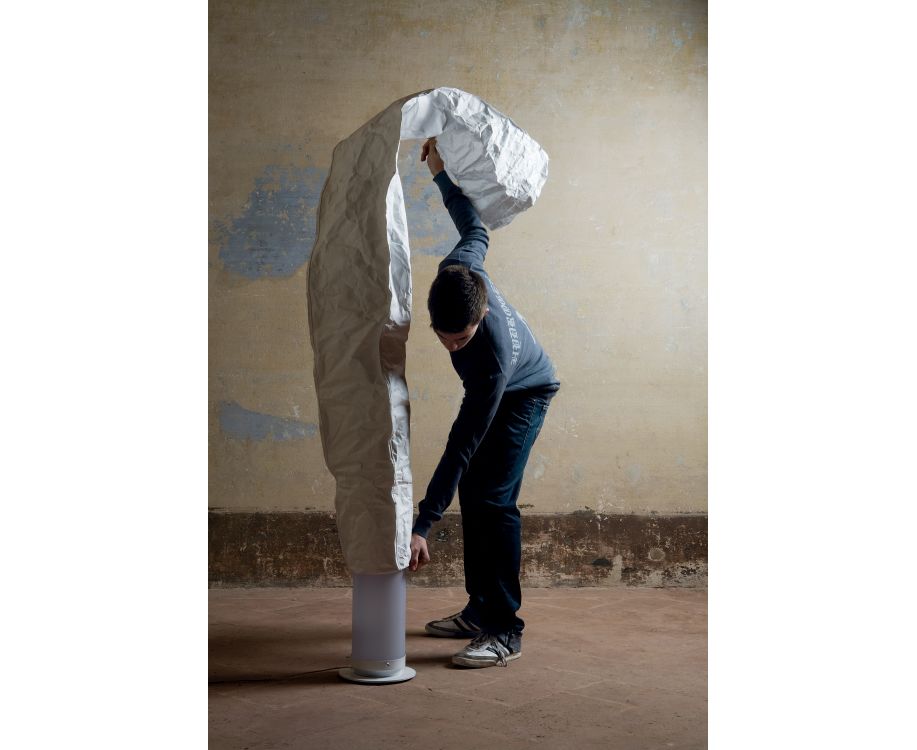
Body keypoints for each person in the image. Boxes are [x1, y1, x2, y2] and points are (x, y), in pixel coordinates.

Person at [408, 137, 560, 668]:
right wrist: (439, 171)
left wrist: (423, 524)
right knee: (475, 492)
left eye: (462, 338)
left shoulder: (489, 364)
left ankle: (504, 630)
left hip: (526, 392)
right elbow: (474, 226)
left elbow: (461, 445)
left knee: (492, 500)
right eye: (443, 338)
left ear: (483, 312)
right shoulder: (459, 267)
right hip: (506, 385)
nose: (453, 347)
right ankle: (478, 611)